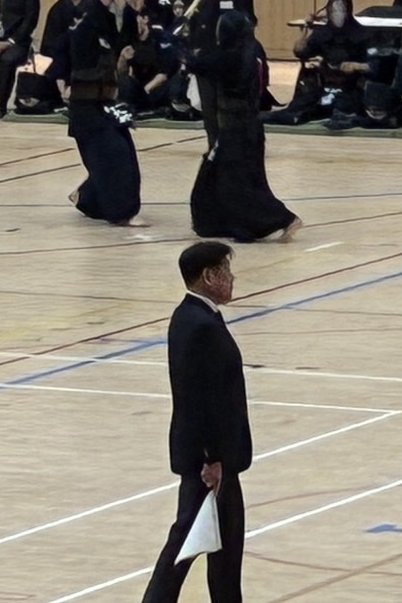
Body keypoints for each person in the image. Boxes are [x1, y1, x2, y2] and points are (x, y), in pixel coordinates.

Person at [141, 241, 250, 603]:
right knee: (184, 547)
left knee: (225, 551)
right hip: (210, 464)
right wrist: (212, 458)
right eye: (226, 270)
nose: (232, 278)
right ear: (209, 276)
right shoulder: (200, 325)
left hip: (219, 460)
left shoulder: (196, 316)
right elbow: (198, 398)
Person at [187, 12, 300, 242]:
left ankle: (283, 218)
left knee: (238, 185)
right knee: (223, 179)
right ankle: (218, 223)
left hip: (235, 132)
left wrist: (179, 43)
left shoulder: (230, 57)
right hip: (249, 130)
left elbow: (196, 64)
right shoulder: (251, 51)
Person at [63, 3, 143, 226]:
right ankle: (117, 211)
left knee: (127, 159)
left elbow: (124, 59)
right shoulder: (84, 32)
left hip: (111, 108)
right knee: (113, 159)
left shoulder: (115, 31)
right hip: (88, 112)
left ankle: (87, 197)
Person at [176, 0, 257, 146]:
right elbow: (188, 23)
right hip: (204, 57)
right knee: (209, 108)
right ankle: (213, 147)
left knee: (229, 107)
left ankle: (234, 148)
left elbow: (250, 21)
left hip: (229, 59)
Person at [269, 0, 370, 125]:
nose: (338, 15)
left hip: (351, 85)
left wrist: (357, 66)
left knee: (344, 111)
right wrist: (307, 29)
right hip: (324, 84)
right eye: (334, 11)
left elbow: (375, 65)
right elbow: (300, 52)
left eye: (342, 11)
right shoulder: (323, 32)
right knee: (299, 109)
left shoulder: (362, 34)